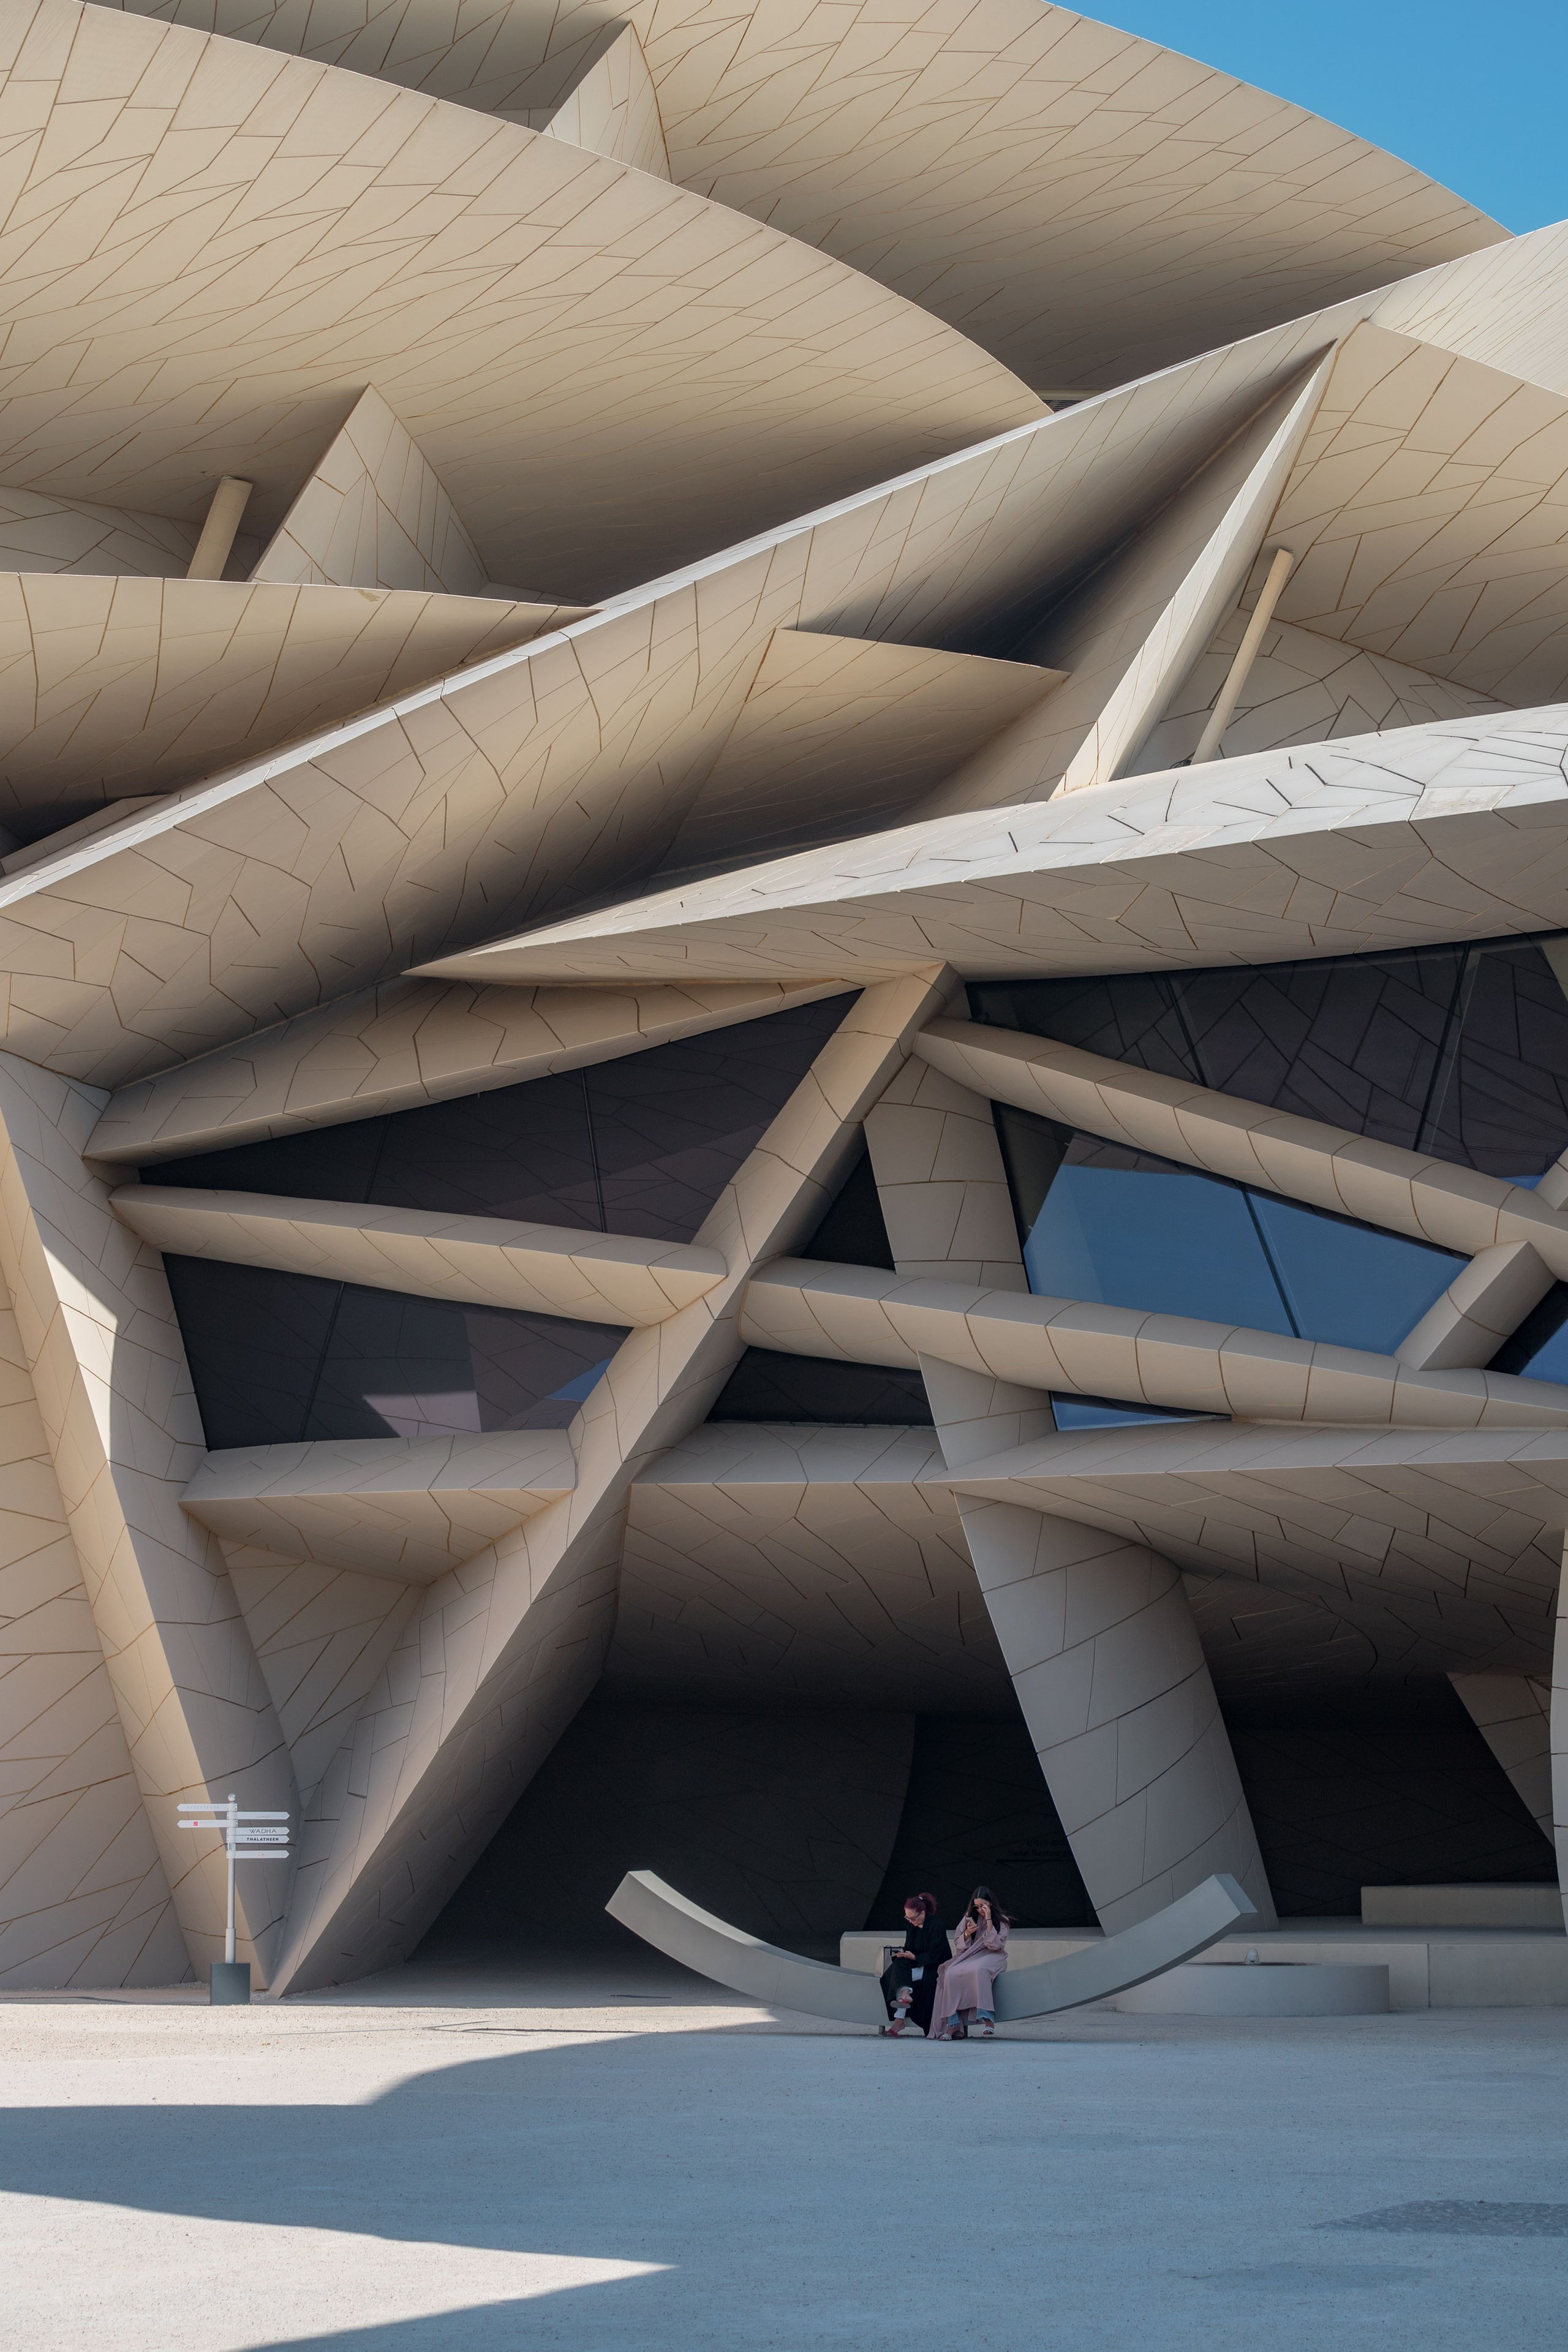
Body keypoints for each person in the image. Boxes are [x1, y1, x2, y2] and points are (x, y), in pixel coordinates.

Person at [930, 1886, 1009, 2040]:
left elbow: (994, 1945)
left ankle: (988, 2020)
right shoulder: (969, 1916)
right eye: (977, 1906)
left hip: (993, 1955)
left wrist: (988, 1919)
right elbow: (958, 1941)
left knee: (980, 1970)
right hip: (970, 1954)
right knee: (950, 1972)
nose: (980, 1909)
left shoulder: (1002, 1920)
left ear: (990, 1904)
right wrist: (968, 1933)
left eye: (983, 1906)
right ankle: (952, 2024)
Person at [880, 1893, 946, 2037]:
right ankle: (905, 1994)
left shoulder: (936, 1925)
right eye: (908, 1918)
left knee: (899, 1976)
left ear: (923, 1913)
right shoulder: (912, 1926)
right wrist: (905, 1954)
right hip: (917, 1963)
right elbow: (909, 1946)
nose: (911, 1921)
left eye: (913, 1918)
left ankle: (899, 2019)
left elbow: (936, 1954)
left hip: (934, 1967)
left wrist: (915, 1957)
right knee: (899, 1964)